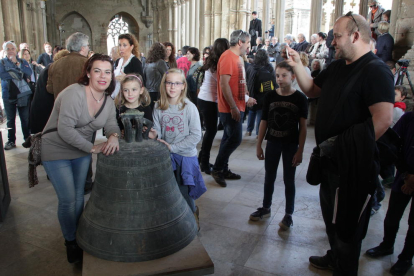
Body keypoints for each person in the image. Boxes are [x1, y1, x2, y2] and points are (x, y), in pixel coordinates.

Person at [286, 11, 394, 275]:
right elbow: (312, 90)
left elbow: (383, 120)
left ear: (355, 35)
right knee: (332, 221)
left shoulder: (376, 71)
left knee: (348, 229)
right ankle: (335, 255)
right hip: (330, 162)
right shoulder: (336, 67)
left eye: (336, 36)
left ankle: (344, 266)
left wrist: (347, 151)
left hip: (352, 166)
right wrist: (297, 64)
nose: (332, 42)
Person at [41, 54, 121, 264]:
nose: (103, 76)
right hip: (56, 149)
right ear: (88, 73)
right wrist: (92, 148)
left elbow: (111, 124)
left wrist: (113, 136)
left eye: (107, 72)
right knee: (68, 200)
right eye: (97, 70)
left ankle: (79, 235)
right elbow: (65, 129)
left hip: (82, 151)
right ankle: (71, 242)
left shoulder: (108, 101)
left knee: (78, 197)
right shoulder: (73, 93)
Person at [250, 61, 308, 229]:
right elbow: (264, 121)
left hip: (290, 145)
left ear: (293, 77)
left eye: (284, 75)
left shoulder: (300, 98)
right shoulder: (270, 96)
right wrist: (259, 144)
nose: (280, 79)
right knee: (269, 177)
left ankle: (288, 214)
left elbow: (303, 127)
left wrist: (301, 150)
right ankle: (266, 207)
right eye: (277, 76)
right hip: (273, 142)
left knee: (289, 180)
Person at [153, 68, 206, 225]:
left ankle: (192, 219)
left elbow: (196, 136)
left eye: (177, 83)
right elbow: (158, 133)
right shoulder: (158, 107)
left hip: (185, 158)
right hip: (166, 157)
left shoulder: (189, 108)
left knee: (184, 193)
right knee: (168, 192)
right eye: (169, 83)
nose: (172, 87)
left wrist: (173, 147)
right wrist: (154, 136)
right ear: (164, 84)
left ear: (183, 86)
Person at [365, 111, 414, 276]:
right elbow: (393, 144)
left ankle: (406, 258)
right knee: (392, 215)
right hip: (404, 175)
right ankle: (387, 245)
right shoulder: (409, 118)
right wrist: (406, 174)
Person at [210, 30, 255, 187]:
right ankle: (217, 169)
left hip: (237, 104)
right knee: (235, 139)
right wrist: (234, 107)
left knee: (228, 138)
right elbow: (224, 84)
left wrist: (246, 97)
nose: (249, 46)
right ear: (240, 42)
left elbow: (238, 81)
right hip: (230, 108)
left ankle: (223, 169)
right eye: (248, 42)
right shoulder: (228, 57)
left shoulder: (236, 57)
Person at [197, 38, 230, 174]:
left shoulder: (212, 61)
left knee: (211, 131)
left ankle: (202, 159)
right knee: (211, 132)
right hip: (208, 100)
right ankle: (204, 163)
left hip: (206, 99)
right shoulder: (218, 64)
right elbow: (224, 83)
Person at [0, 41, 32, 150]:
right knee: (10, 119)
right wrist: (20, 74)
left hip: (22, 94)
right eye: (8, 49)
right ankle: (11, 140)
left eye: (12, 49)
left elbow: (28, 71)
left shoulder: (22, 61)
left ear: (16, 50)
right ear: (5, 51)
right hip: (8, 94)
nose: (10, 51)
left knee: (25, 118)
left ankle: (27, 139)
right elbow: (3, 75)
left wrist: (16, 66)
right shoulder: (2, 63)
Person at [30, 49, 68, 134]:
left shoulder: (50, 67)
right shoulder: (53, 69)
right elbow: (51, 89)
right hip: (45, 108)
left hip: (41, 107)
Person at [47, 32, 89, 99]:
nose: (88, 49)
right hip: (82, 106)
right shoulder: (88, 63)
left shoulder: (55, 65)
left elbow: (50, 89)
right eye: (88, 46)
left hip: (61, 106)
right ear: (83, 48)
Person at [245, 49, 276, 137]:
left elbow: (247, 79)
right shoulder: (269, 67)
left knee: (252, 111)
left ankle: (249, 130)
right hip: (264, 92)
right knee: (260, 113)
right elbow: (274, 80)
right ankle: (259, 133)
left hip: (252, 91)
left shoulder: (251, 66)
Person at [112, 33, 144, 99]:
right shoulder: (118, 61)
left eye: (124, 45)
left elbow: (141, 81)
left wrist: (126, 77)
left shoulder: (135, 62)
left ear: (131, 47)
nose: (121, 48)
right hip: (117, 96)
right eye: (120, 45)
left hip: (129, 96)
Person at [144, 42, 168, 110]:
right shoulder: (160, 62)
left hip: (148, 91)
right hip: (157, 91)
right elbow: (167, 74)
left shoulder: (147, 62)